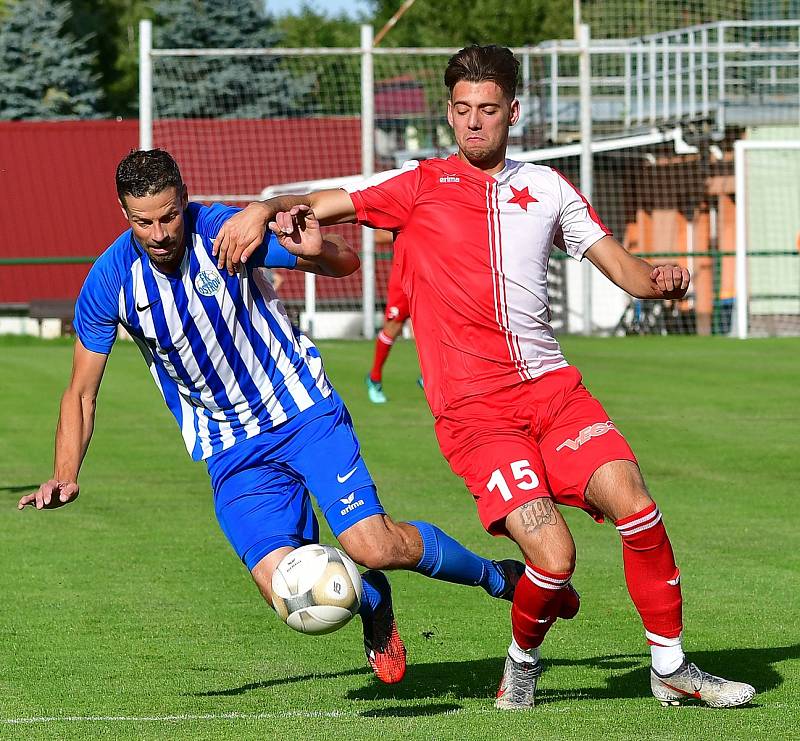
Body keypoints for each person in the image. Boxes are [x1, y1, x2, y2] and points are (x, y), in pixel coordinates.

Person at [212, 46, 757, 710]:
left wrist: (663, 282)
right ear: (449, 112)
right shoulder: (418, 184)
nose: (474, 124)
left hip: (554, 392)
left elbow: (626, 268)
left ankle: (670, 666)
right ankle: (521, 662)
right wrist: (260, 209)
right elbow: (327, 203)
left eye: (488, 110)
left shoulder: (550, 188)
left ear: (513, 113)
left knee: (636, 504)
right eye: (463, 111)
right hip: (478, 416)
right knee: (554, 559)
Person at [18, 149, 526, 686]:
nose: (160, 232)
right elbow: (80, 393)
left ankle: (495, 576)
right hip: (229, 446)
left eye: (169, 216)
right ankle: (372, 596)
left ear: (184, 201)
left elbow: (343, 262)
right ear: (126, 216)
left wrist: (321, 251)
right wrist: (66, 472)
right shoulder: (109, 281)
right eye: (144, 222)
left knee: (372, 545)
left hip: (301, 408)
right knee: (286, 592)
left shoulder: (225, 232)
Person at [366, 229, 422, 404]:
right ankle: (374, 378)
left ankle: (429, 376)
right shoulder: (404, 209)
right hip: (403, 275)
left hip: (430, 275)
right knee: (392, 328)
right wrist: (417, 234)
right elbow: (378, 236)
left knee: (433, 326)